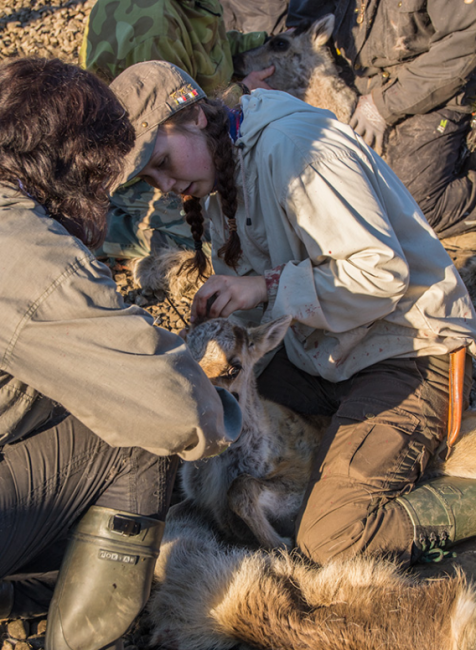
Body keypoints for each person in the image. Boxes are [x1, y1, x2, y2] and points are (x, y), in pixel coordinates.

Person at [111, 59, 476, 568]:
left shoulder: (294, 148)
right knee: (184, 436)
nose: (164, 187)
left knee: (332, 538)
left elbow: (380, 275)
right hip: (317, 352)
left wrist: (261, 285)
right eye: (150, 178)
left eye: (162, 162)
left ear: (195, 118)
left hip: (406, 348)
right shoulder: (226, 175)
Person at [0, 58, 241, 650]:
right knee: (133, 435)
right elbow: (172, 410)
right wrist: (220, 405)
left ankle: (19, 601)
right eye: (106, 178)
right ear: (77, 165)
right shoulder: (26, 251)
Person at [79, 0, 277, 265]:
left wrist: (265, 42)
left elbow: (211, 49)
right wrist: (240, 91)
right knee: (235, 242)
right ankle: (103, 231)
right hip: (138, 167)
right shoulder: (155, 30)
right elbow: (172, 120)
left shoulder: (189, 5)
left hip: (173, 148)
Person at [286, 0, 476, 269]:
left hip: (435, 90)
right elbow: (306, 14)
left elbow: (465, 40)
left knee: (416, 210)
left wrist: (383, 104)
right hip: (360, 86)